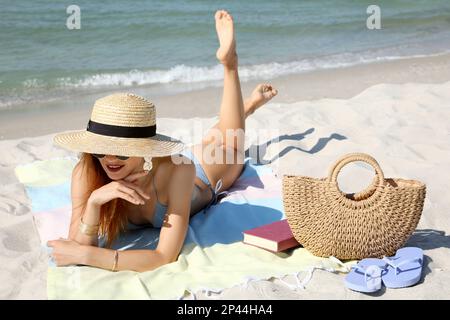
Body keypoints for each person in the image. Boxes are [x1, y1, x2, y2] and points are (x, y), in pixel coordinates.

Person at [48, 10, 278, 272]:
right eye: (101, 150)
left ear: (143, 148)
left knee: (232, 144)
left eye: (121, 153)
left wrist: (90, 257)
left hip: (204, 171)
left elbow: (164, 256)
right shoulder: (87, 171)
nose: (109, 160)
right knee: (224, 130)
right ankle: (245, 108)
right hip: (162, 162)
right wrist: (93, 203)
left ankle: (230, 65)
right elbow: (77, 243)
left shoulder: (180, 171)